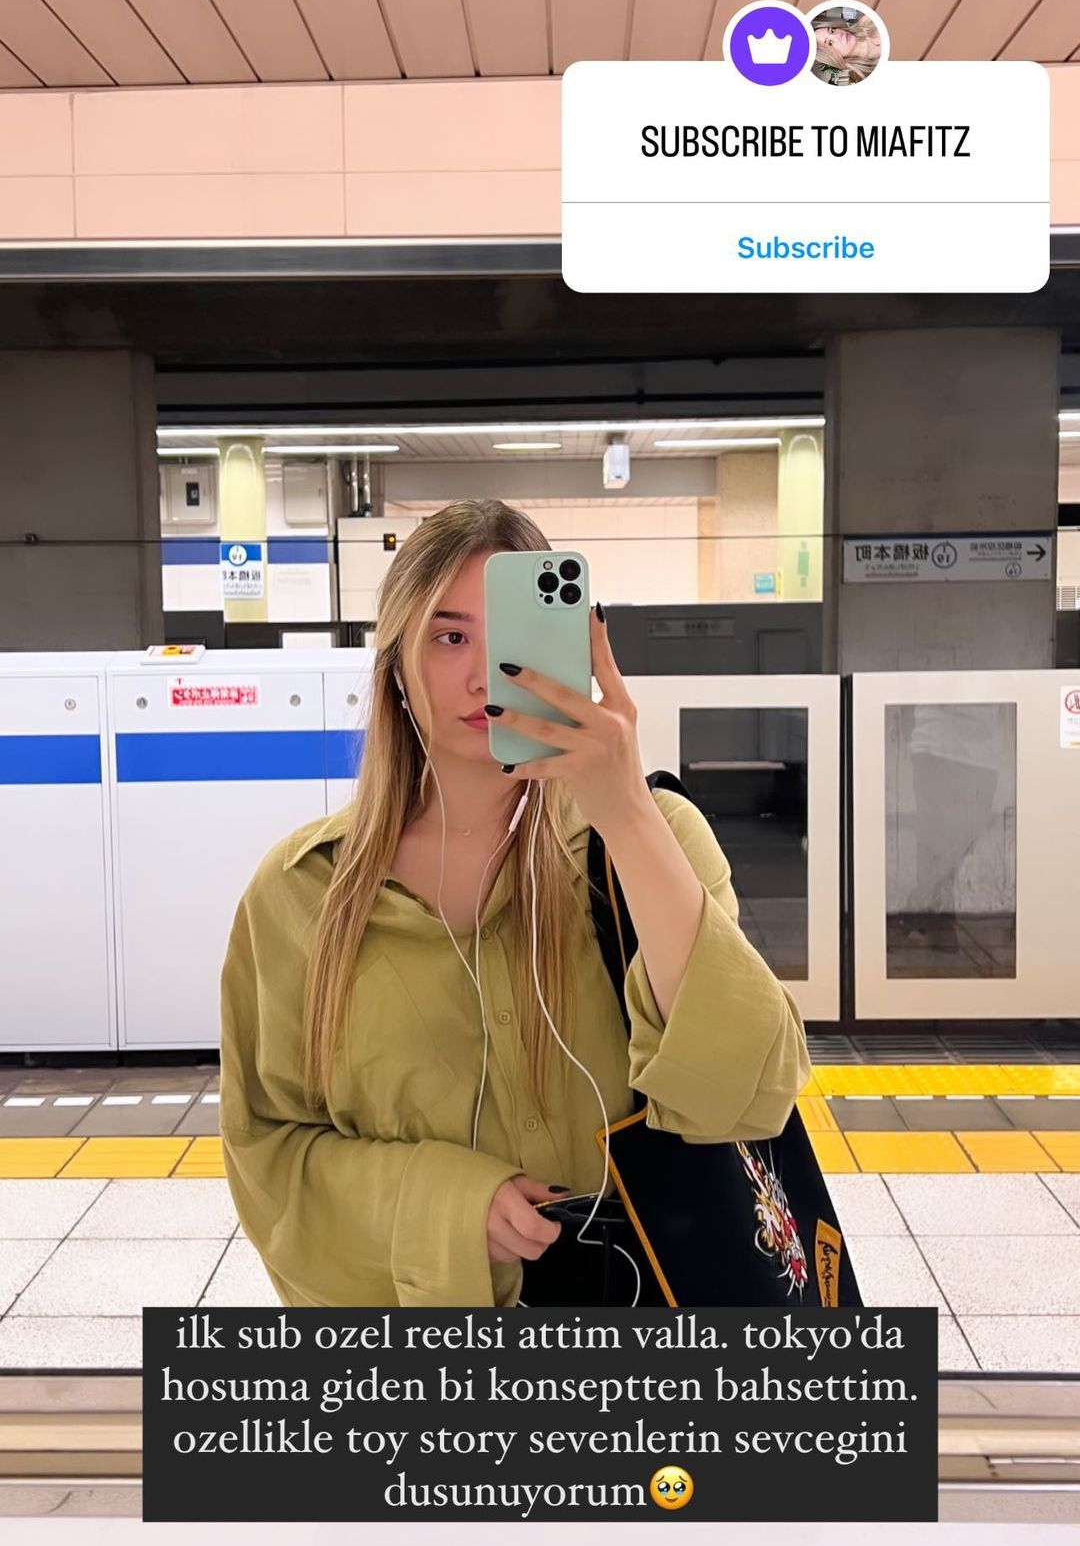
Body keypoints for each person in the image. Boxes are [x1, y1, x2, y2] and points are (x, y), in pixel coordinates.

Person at [219, 500, 811, 1307]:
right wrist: (447, 1207)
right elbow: (270, 1155)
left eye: (515, 638)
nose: (483, 675)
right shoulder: (299, 893)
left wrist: (627, 816)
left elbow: (751, 1093)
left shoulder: (655, 838)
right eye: (449, 637)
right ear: (396, 663)